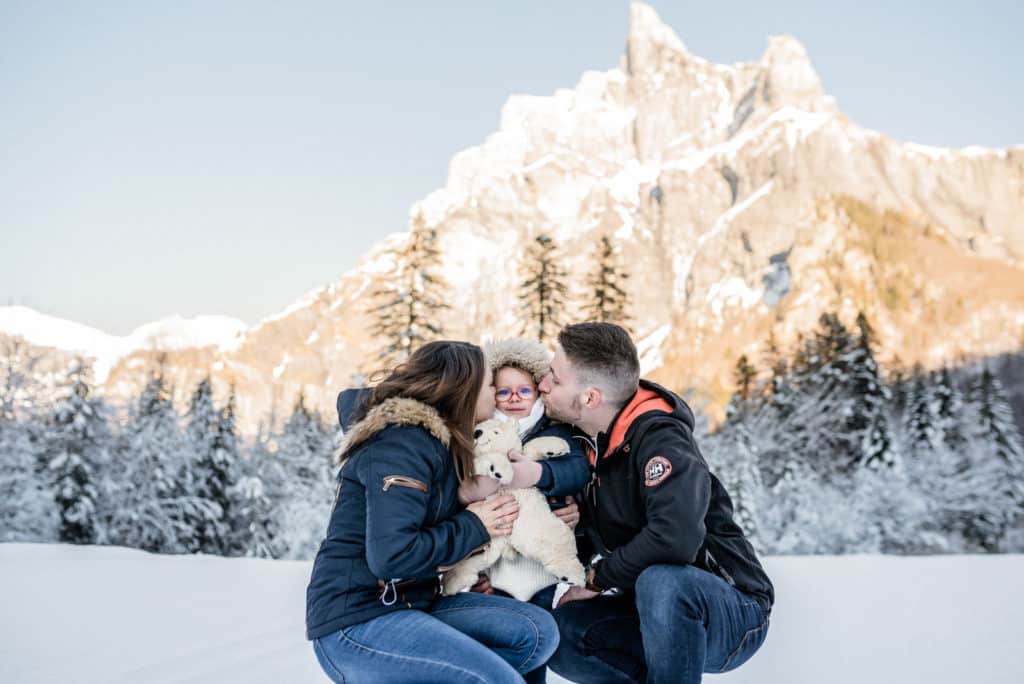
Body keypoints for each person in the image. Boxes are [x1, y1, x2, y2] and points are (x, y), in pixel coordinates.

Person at [306, 340, 560, 683]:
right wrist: (475, 525)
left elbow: (442, 526)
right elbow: (392, 556)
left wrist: (473, 556)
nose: (496, 391)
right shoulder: (401, 443)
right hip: (358, 619)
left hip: (415, 603)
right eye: (489, 384)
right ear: (464, 389)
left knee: (536, 631)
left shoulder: (446, 443)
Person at [537, 322, 774, 684]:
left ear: (590, 397)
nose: (543, 385)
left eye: (555, 378)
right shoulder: (583, 444)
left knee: (662, 581)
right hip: (646, 608)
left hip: (731, 610)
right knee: (564, 635)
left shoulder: (660, 439)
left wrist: (597, 578)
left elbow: (674, 538)